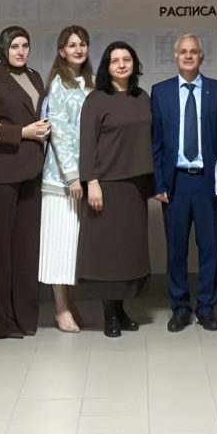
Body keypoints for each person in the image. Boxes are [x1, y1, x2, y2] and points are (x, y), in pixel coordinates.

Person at [151, 34, 217, 333]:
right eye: (183, 52)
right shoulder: (160, 92)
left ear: (202, 56)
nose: (188, 56)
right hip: (174, 182)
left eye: (193, 51)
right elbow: (155, 143)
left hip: (207, 182)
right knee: (176, 250)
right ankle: (180, 308)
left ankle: (206, 307)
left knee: (209, 248)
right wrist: (158, 183)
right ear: (175, 56)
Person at [0, 25, 51, 339]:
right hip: (0, 173)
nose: (20, 51)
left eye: (25, 45)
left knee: (27, 249)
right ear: (3, 48)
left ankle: (25, 318)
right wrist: (23, 132)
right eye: (15, 46)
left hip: (32, 170)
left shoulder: (35, 77)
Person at [80, 42, 153, 337]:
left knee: (127, 254)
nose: (121, 65)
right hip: (106, 185)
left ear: (134, 64)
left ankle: (121, 310)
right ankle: (109, 314)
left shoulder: (142, 97)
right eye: (114, 61)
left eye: (126, 59)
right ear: (106, 67)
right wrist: (92, 181)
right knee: (107, 254)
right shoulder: (96, 99)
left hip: (135, 186)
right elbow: (87, 144)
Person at [40, 26, 94, 333]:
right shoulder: (58, 84)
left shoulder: (92, 83)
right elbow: (59, 134)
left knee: (74, 247)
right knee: (59, 245)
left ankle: (70, 304)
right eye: (72, 45)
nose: (78, 49)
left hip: (85, 179)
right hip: (61, 181)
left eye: (83, 44)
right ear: (61, 51)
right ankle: (60, 308)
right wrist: (73, 177)